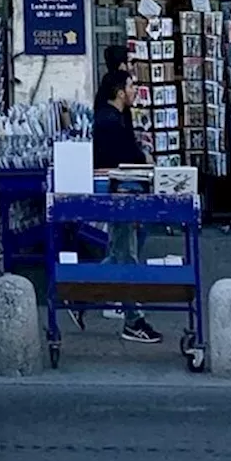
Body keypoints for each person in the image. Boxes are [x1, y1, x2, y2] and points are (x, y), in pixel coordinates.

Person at [92, 70, 163, 345]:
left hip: (127, 193)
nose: (136, 90)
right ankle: (133, 321)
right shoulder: (108, 122)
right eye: (132, 85)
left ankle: (76, 293)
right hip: (121, 195)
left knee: (118, 253)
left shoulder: (119, 117)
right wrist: (143, 155)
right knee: (127, 256)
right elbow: (125, 158)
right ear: (120, 91)